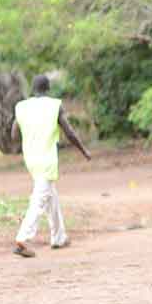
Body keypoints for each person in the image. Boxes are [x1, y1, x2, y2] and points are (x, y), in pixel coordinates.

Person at [10, 75, 91, 257]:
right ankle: (23, 239)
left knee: (50, 196)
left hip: (31, 159)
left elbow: (13, 134)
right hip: (46, 159)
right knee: (39, 200)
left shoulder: (22, 107)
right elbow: (69, 132)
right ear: (48, 88)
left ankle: (59, 237)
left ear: (33, 89)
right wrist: (84, 150)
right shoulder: (54, 105)